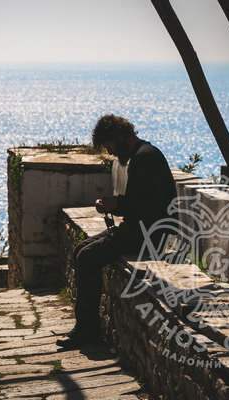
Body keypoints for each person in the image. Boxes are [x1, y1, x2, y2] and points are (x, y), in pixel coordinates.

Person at [56, 114, 177, 349]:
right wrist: (117, 205)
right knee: (82, 248)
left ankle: (88, 331)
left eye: (109, 145)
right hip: (141, 229)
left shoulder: (145, 159)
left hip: (148, 235)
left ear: (120, 137)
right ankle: (85, 326)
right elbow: (139, 202)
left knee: (87, 257)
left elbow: (142, 206)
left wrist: (115, 204)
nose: (110, 152)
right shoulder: (142, 155)